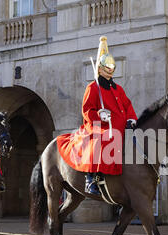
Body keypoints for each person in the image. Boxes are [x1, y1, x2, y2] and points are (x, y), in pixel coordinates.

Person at [57, 36, 138, 195]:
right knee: (100, 139)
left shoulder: (118, 89)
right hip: (99, 125)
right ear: (100, 68)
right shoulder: (93, 87)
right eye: (107, 65)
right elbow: (87, 109)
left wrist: (131, 119)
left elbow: (127, 105)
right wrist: (99, 115)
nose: (110, 68)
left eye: (111, 65)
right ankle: (91, 178)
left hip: (121, 125)